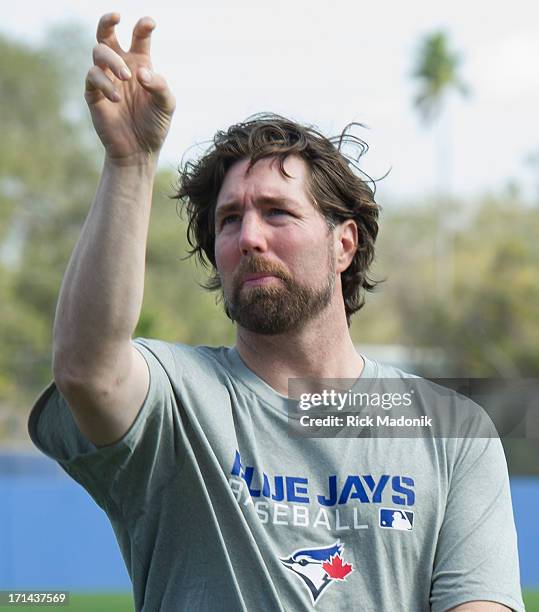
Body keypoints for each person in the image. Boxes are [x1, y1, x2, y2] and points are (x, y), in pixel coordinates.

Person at [28, 12, 524, 612]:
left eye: (278, 213)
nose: (249, 237)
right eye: (229, 220)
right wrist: (131, 165)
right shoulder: (178, 402)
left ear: (344, 244)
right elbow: (87, 370)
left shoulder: (452, 429)